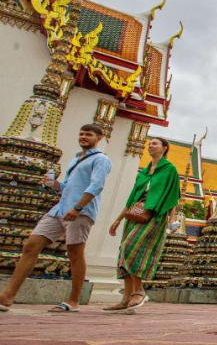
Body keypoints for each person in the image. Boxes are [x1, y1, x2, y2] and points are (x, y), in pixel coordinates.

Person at [0, 124, 112, 313]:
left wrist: (78, 207)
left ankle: (74, 300)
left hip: (80, 211)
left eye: (88, 134)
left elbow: (97, 185)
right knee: (31, 245)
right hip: (60, 208)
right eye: (81, 134)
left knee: (75, 253)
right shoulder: (77, 159)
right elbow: (67, 186)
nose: (83, 137)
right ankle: (7, 296)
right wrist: (54, 184)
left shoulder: (101, 159)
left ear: (99, 138)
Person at [103, 137, 179, 313]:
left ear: (164, 148)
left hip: (154, 215)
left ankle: (139, 291)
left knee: (132, 248)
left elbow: (173, 197)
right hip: (134, 215)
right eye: (149, 144)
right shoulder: (144, 172)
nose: (150, 146)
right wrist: (117, 219)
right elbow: (132, 199)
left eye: (155, 144)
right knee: (123, 252)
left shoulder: (169, 170)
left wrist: (173, 221)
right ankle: (125, 299)